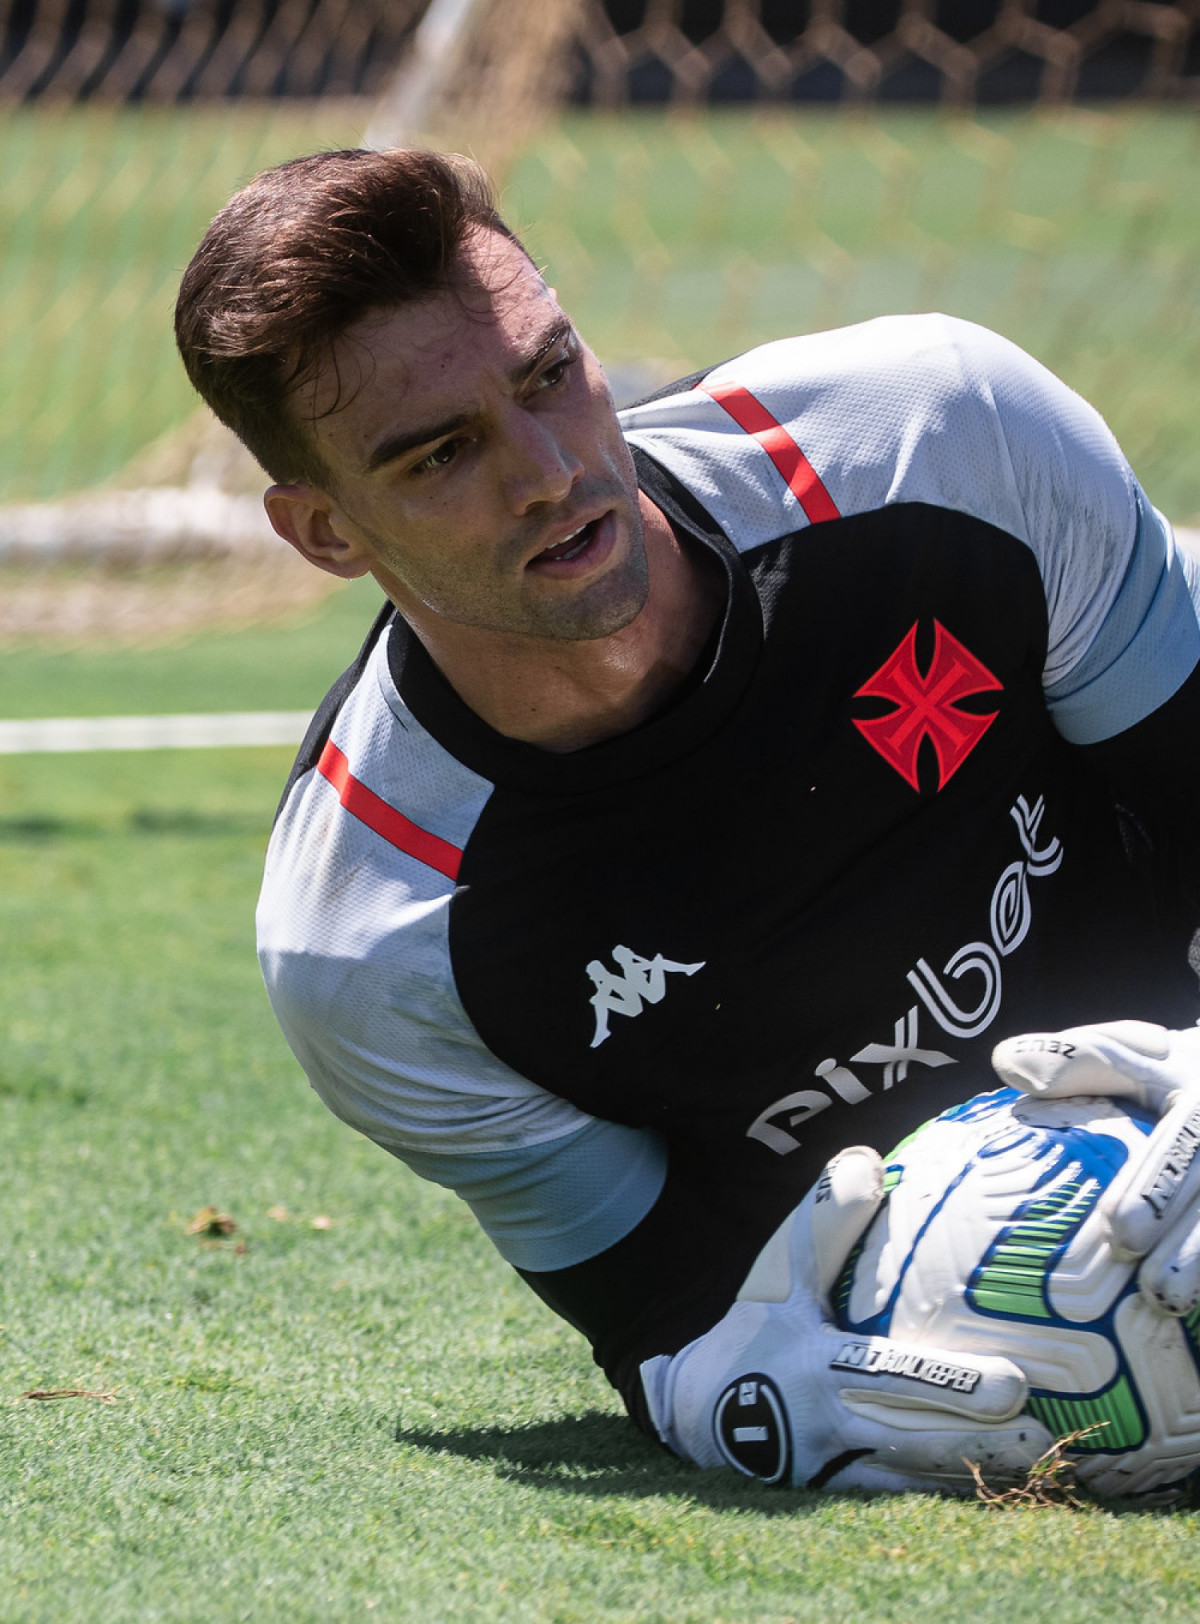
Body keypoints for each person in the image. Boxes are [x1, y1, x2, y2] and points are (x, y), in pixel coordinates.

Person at [174, 147, 1200, 1491]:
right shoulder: (374, 949)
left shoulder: (948, 441)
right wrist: (753, 1394)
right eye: (440, 455)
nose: (549, 471)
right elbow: (666, 1312)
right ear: (323, 533)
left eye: (549, 373)